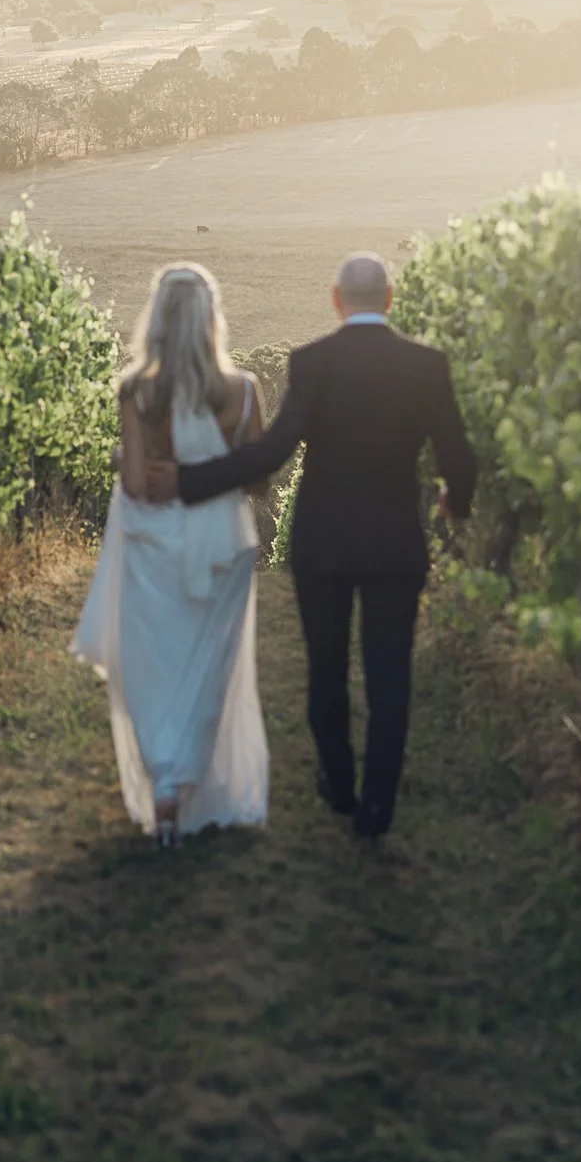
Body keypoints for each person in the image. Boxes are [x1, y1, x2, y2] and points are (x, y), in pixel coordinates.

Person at [146, 252, 475, 841]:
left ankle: (339, 782)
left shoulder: (313, 362)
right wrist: (458, 499)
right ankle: (376, 809)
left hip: (324, 543)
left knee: (326, 668)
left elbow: (273, 453)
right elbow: (457, 453)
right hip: (396, 543)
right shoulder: (426, 365)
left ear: (335, 301)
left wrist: (191, 481)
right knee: (389, 674)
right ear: (390, 299)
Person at [72, 262, 270, 848]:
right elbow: (258, 480)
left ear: (156, 319)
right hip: (222, 543)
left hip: (154, 547)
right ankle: (185, 784)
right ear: (213, 319)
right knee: (208, 669)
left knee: (154, 669)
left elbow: (136, 485)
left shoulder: (137, 390)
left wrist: (143, 464)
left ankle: (164, 782)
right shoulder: (244, 391)